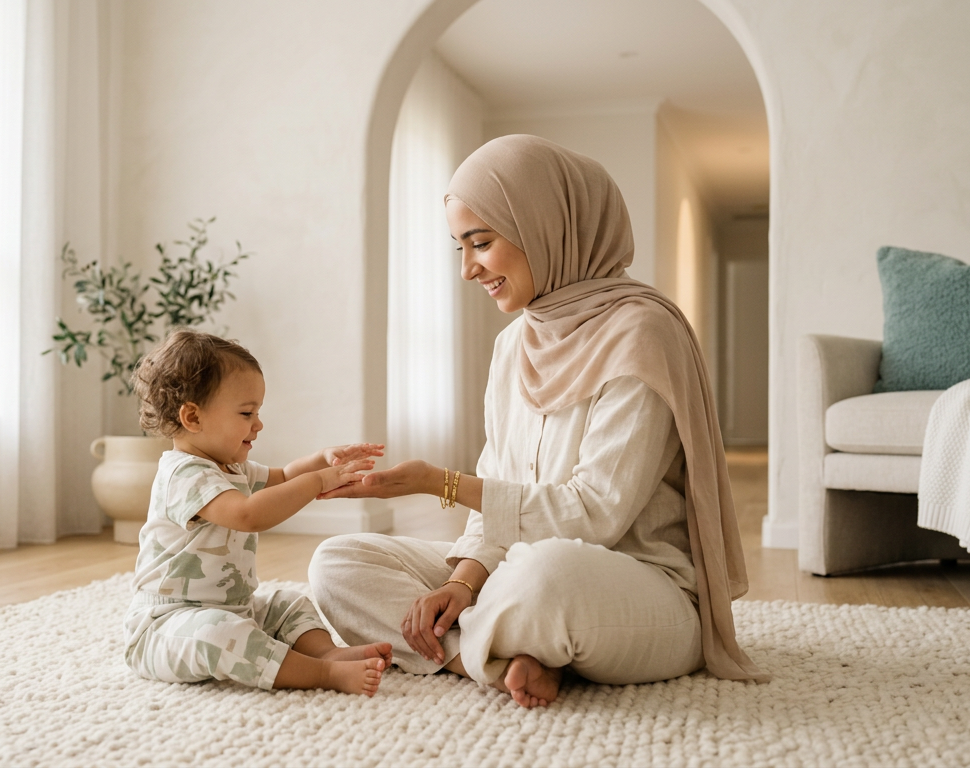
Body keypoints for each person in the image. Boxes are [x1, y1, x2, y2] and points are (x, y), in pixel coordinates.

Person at [310, 135, 767, 709]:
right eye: (458, 247)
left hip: (632, 586)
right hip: (515, 572)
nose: (466, 269)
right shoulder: (513, 345)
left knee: (546, 574)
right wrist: (461, 582)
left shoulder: (642, 334)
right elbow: (499, 483)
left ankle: (498, 642)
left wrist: (439, 483)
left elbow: (596, 515)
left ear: (545, 226)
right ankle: (497, 658)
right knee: (338, 562)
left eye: (480, 243)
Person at [123, 329, 393, 695]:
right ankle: (321, 674)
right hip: (165, 625)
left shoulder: (231, 468)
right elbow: (248, 514)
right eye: (247, 413)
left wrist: (322, 458)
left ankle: (327, 654)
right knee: (220, 635)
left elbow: (282, 477)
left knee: (287, 602)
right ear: (193, 417)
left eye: (258, 412)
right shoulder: (182, 474)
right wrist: (317, 481)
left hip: (238, 608)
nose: (259, 424)